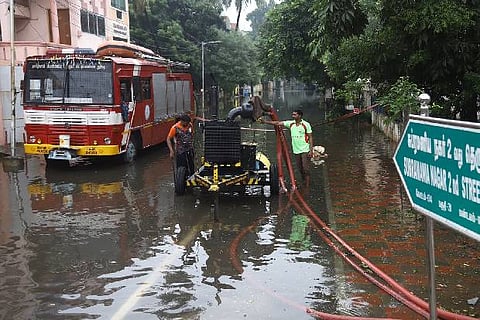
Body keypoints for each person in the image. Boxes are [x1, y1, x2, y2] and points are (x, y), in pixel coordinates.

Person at [260, 109, 313, 183]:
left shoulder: (306, 124)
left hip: (305, 149)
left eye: (295, 115)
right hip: (296, 150)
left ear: (300, 116)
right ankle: (304, 181)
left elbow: (310, 137)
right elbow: (278, 123)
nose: (293, 116)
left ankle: (307, 184)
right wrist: (265, 122)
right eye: (293, 114)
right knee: (300, 168)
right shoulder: (291, 124)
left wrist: (311, 151)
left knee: (305, 168)